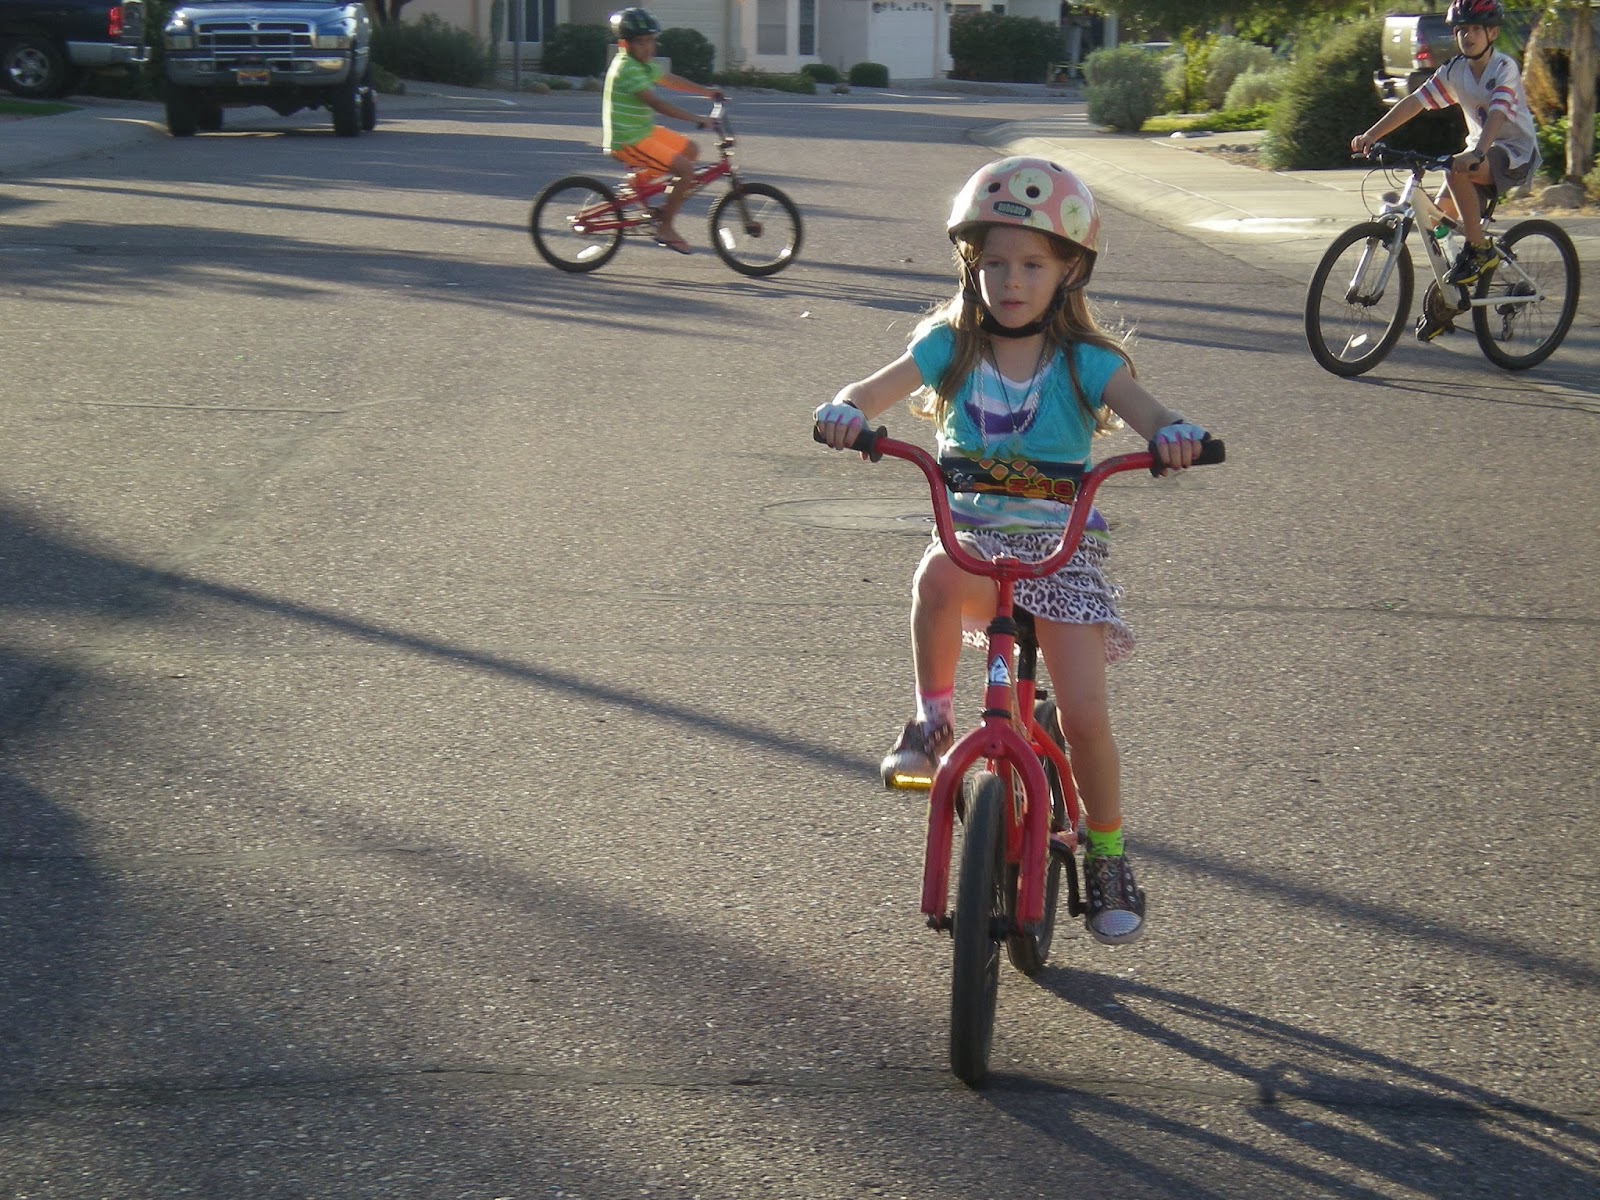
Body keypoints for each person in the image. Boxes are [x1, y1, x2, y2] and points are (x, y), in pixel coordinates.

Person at [812, 156, 1212, 946]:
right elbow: (871, 390)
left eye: (1031, 263)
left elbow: (1147, 410)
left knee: (1087, 717)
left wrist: (1171, 435)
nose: (1010, 280)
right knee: (934, 572)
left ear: (1069, 272)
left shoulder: (1086, 364)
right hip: (974, 542)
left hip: (1059, 553)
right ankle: (930, 722)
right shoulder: (950, 348)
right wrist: (843, 410)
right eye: (992, 262)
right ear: (972, 267)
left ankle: (1106, 853)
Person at [1350, 0, 1539, 303]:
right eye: (1461, 30)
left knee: (1456, 170)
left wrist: (1477, 152)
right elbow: (1415, 101)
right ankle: (1449, 299)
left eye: (1475, 29)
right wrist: (1372, 134)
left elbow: (1498, 114)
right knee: (1436, 222)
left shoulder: (1504, 68)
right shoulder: (1456, 70)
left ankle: (1479, 251)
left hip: (1513, 153)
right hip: (1478, 154)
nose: (1468, 36)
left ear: (1492, 33)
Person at [602, 7, 722, 255]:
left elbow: (669, 80)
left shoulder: (643, 64)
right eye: (641, 42)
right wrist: (697, 119)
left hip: (642, 132)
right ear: (624, 44)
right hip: (629, 140)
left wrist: (707, 92)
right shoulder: (627, 69)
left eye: (651, 41)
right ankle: (666, 228)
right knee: (686, 170)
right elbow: (658, 104)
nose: (648, 48)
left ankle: (638, 182)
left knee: (690, 149)